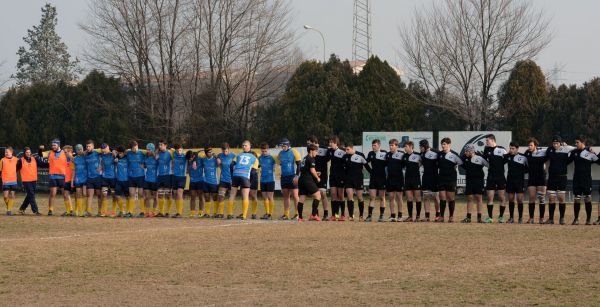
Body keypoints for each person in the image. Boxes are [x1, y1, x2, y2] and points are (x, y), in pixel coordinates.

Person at [545, 136, 575, 225]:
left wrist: (566, 145)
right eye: (554, 143)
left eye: (557, 143)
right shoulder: (549, 150)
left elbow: (576, 149)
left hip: (562, 177)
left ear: (560, 143)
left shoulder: (566, 149)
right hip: (552, 178)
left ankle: (562, 218)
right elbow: (545, 154)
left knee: (561, 198)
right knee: (551, 198)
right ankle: (551, 219)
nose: (555, 145)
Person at [569, 136, 597, 225]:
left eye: (577, 142)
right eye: (575, 142)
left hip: (586, 180)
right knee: (577, 199)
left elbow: (598, 160)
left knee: (587, 199)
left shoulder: (589, 152)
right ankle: (576, 219)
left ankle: (588, 220)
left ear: (582, 142)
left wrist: (594, 152)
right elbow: (567, 161)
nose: (575, 144)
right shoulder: (574, 152)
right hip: (576, 179)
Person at [38, 139, 71, 216]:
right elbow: (40, 155)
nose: (53, 146)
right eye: (52, 145)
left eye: (54, 145)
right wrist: (40, 149)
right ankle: (50, 210)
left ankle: (69, 210)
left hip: (62, 176)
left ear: (58, 145)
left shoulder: (64, 153)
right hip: (53, 176)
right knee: (52, 193)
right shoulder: (49, 152)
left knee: (65, 194)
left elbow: (71, 159)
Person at [228, 140, 258, 220]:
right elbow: (253, 172)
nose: (243, 147)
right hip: (245, 176)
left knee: (232, 195)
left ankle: (230, 214)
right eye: (243, 145)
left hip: (236, 175)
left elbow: (231, 165)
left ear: (249, 146)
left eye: (245, 145)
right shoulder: (254, 158)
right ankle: (244, 215)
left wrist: (232, 175)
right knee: (245, 196)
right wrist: (250, 181)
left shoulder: (238, 155)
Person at [459, 144, 488, 223]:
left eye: (467, 151)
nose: (465, 153)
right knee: (470, 198)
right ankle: (468, 218)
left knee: (479, 198)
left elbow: (488, 165)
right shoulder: (464, 158)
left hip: (479, 181)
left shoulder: (480, 158)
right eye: (465, 151)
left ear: (471, 151)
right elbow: (461, 163)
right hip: (469, 180)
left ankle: (479, 218)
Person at [482, 134, 508, 223]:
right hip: (491, 177)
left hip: (500, 177)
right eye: (486, 141)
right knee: (490, 197)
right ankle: (490, 217)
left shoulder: (502, 149)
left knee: (501, 197)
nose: (486, 142)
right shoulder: (486, 149)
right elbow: (484, 161)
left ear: (493, 140)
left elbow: (506, 160)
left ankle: (501, 217)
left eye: (487, 140)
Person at [294, 144, 322, 221]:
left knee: (302, 198)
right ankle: (313, 215)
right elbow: (312, 170)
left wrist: (316, 173)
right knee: (318, 195)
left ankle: (300, 217)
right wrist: (317, 177)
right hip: (307, 180)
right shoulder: (311, 158)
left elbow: (305, 169)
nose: (316, 153)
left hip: (301, 180)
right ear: (311, 151)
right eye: (316, 151)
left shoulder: (305, 158)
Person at [343, 143, 371, 221]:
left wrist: (373, 174)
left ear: (352, 148)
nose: (346, 151)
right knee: (349, 197)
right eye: (345, 149)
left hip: (358, 179)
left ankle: (361, 216)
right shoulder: (345, 157)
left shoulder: (360, 155)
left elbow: (367, 167)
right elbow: (343, 168)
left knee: (360, 197)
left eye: (348, 149)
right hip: (349, 179)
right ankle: (351, 216)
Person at [437, 137, 462, 223]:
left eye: (444, 144)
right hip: (441, 178)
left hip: (451, 179)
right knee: (442, 197)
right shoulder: (439, 154)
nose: (443, 146)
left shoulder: (454, 154)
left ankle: (451, 216)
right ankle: (441, 216)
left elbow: (461, 163)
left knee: (450, 198)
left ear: (449, 145)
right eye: (442, 144)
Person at [523, 137, 548, 224]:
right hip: (532, 178)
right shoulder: (527, 153)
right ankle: (531, 218)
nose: (529, 147)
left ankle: (541, 218)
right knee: (532, 198)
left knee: (541, 198)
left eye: (531, 145)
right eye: (528, 145)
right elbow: (525, 164)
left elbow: (551, 151)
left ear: (535, 145)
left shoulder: (542, 151)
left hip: (541, 178)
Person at [277, 138, 301, 220]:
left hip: (292, 176)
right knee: (286, 195)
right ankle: (286, 214)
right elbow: (279, 163)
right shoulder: (280, 153)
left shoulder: (294, 152)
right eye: (281, 146)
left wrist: (297, 176)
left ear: (287, 145)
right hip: (284, 177)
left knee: (295, 195)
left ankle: (297, 213)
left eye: (283, 146)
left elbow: (299, 164)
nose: (282, 147)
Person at [307, 136, 330, 220]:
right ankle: (315, 214)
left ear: (313, 142)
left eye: (309, 143)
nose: (308, 145)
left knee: (323, 193)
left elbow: (329, 158)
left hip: (322, 175)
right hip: (313, 174)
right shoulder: (309, 150)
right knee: (315, 194)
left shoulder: (324, 149)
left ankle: (326, 214)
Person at [504, 142, 528, 224]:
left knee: (519, 199)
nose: (511, 150)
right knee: (511, 199)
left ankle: (520, 218)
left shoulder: (523, 157)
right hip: (510, 181)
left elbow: (528, 168)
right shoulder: (507, 157)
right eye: (510, 148)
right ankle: (511, 218)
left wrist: (520, 173)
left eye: (513, 148)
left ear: (517, 149)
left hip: (519, 181)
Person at [366, 139, 387, 222]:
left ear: (379, 145)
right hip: (373, 178)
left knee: (382, 197)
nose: (373, 147)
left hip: (382, 178)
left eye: (374, 145)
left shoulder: (384, 153)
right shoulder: (371, 154)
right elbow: (365, 162)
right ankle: (369, 216)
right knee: (372, 197)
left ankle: (381, 216)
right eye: (372, 145)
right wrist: (370, 171)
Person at [420, 140, 440, 221]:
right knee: (426, 197)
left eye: (421, 146)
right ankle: (427, 217)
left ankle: (438, 215)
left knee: (435, 197)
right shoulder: (421, 154)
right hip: (425, 177)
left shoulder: (436, 152)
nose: (420, 148)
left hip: (434, 177)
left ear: (425, 146)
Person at [402, 141, 423, 221]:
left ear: (411, 147)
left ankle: (418, 216)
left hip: (416, 179)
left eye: (406, 146)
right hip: (407, 179)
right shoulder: (404, 156)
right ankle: (410, 216)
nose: (405, 148)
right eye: (404, 146)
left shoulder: (418, 155)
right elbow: (402, 166)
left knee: (418, 197)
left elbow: (422, 163)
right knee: (409, 198)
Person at [385, 139, 405, 222]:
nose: (390, 147)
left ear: (396, 146)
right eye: (390, 145)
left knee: (399, 197)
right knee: (391, 197)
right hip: (390, 179)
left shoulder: (401, 154)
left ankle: (400, 215)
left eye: (392, 145)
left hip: (399, 179)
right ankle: (392, 215)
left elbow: (405, 166)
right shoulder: (387, 155)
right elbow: (386, 167)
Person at [17, 147, 41, 215]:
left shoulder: (34, 159)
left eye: (29, 152)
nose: (28, 153)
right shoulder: (20, 161)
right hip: (26, 181)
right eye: (27, 152)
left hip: (34, 180)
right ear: (24, 153)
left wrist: (49, 164)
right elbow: (15, 169)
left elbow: (41, 163)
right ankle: (35, 211)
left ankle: (22, 209)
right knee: (31, 195)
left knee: (30, 195)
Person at [328, 136, 346, 221]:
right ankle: (334, 215)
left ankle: (343, 215)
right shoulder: (330, 151)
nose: (330, 144)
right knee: (333, 195)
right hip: (332, 176)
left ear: (336, 143)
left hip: (341, 176)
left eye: (331, 142)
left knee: (341, 195)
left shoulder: (342, 152)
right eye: (329, 142)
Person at [127, 141, 147, 217]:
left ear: (137, 146)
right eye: (133, 147)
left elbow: (149, 154)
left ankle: (142, 212)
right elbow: (122, 153)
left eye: (136, 147)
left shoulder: (142, 153)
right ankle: (130, 212)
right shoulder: (128, 153)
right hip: (131, 176)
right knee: (131, 194)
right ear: (131, 148)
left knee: (141, 194)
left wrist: (144, 166)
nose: (135, 148)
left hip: (140, 176)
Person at [100, 143, 119, 217]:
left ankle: (113, 211)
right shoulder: (102, 155)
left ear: (108, 147)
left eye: (105, 148)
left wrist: (115, 155)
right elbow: (102, 164)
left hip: (113, 177)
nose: (103, 149)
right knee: (104, 194)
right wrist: (100, 167)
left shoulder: (113, 154)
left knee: (114, 195)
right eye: (102, 148)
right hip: (104, 177)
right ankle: (104, 211)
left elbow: (117, 161)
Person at [217, 143, 235, 218]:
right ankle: (220, 213)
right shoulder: (220, 155)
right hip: (223, 179)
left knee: (231, 197)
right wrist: (217, 158)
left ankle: (230, 213)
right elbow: (216, 157)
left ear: (229, 149)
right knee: (221, 196)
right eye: (223, 151)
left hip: (231, 179)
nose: (225, 152)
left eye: (226, 151)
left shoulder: (233, 156)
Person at [156, 140, 173, 217]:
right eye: (159, 145)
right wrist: (156, 153)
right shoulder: (158, 153)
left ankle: (168, 212)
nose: (160, 146)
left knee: (168, 194)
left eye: (161, 145)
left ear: (165, 145)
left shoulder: (170, 153)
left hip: (167, 176)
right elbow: (156, 160)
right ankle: (161, 212)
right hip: (160, 176)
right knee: (160, 194)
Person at [258, 143, 276, 219]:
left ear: (268, 150)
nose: (264, 153)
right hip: (262, 180)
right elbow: (258, 166)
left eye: (265, 151)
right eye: (262, 151)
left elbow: (276, 165)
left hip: (270, 180)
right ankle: (267, 213)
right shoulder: (260, 158)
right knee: (264, 197)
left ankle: (270, 214)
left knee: (270, 197)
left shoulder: (272, 158)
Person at [72, 144, 89, 217]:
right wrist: (72, 180)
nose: (80, 151)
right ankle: (80, 211)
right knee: (78, 194)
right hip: (78, 178)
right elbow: (74, 170)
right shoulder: (74, 159)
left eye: (81, 149)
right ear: (76, 150)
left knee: (85, 194)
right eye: (78, 149)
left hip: (85, 178)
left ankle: (85, 210)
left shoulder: (86, 157)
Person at [115, 147, 132, 217]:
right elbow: (112, 151)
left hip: (126, 181)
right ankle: (122, 211)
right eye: (118, 153)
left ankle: (128, 211)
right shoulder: (116, 159)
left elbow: (129, 151)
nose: (119, 154)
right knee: (117, 196)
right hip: (119, 180)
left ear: (123, 153)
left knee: (128, 196)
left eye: (121, 153)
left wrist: (126, 151)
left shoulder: (127, 158)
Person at [0, 147, 18, 215]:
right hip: (5, 180)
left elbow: (20, 167)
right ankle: (9, 207)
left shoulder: (16, 159)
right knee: (5, 196)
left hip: (13, 180)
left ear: (11, 152)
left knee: (12, 195)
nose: (6, 153)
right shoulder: (2, 160)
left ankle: (9, 210)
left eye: (7, 152)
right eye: (5, 152)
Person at [202, 148, 219, 218]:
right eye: (209, 152)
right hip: (205, 181)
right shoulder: (203, 160)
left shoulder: (215, 159)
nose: (211, 153)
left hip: (214, 181)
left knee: (215, 197)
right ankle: (207, 213)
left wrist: (217, 157)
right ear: (206, 153)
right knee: (207, 197)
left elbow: (219, 163)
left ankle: (215, 213)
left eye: (211, 152)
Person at [171, 144, 187, 218]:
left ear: (182, 149)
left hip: (182, 177)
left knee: (179, 193)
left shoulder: (185, 156)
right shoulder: (173, 153)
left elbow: (194, 155)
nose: (179, 152)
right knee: (175, 194)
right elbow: (170, 150)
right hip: (174, 177)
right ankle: (177, 212)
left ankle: (179, 213)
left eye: (180, 150)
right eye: (177, 150)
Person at [143, 143, 158, 217]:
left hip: (155, 180)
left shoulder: (156, 158)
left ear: (152, 150)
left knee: (155, 197)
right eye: (147, 149)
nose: (147, 151)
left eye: (149, 149)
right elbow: (144, 165)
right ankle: (147, 212)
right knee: (147, 197)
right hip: (147, 179)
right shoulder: (145, 157)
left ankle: (154, 212)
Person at [188, 150, 203, 218]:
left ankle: (201, 212)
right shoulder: (189, 161)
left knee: (200, 197)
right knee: (192, 197)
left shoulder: (200, 159)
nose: (190, 159)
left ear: (193, 156)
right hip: (192, 181)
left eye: (191, 158)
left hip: (200, 180)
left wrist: (195, 159)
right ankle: (192, 212)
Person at [249, 150, 260, 219]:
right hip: (246, 176)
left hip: (254, 178)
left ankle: (254, 213)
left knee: (253, 195)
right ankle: (244, 212)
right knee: (245, 195)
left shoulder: (257, 161)